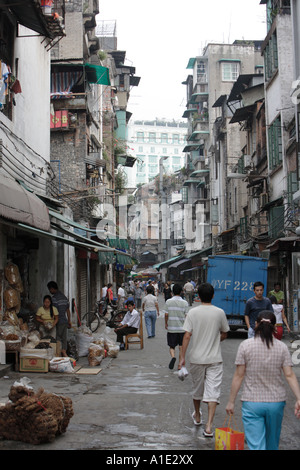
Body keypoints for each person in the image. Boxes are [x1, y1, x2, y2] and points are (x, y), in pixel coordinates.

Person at [226, 310, 300, 450]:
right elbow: (289, 375)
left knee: (256, 445)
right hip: (276, 403)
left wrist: (231, 402)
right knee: (272, 444)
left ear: (255, 324)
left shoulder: (245, 346)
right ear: (274, 326)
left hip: (252, 403)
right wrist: (298, 398)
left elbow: (239, 375)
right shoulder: (282, 347)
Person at [179, 283, 229, 436]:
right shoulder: (220, 312)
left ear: (198, 296)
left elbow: (187, 335)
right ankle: (209, 426)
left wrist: (182, 357)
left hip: (196, 359)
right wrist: (214, 340)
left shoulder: (192, 313)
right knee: (213, 391)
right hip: (215, 359)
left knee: (197, 389)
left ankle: (198, 415)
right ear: (213, 295)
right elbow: (225, 333)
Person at [165, 283, 189, 370]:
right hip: (182, 328)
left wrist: (166, 323)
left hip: (171, 328)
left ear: (172, 292)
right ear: (181, 292)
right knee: (181, 346)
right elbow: (187, 316)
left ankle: (173, 356)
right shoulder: (185, 303)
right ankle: (179, 364)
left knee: (172, 346)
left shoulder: (168, 301)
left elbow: (166, 314)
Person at [47, 281, 72, 357]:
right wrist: (69, 321)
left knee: (57, 338)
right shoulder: (64, 297)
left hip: (58, 321)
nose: (50, 291)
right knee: (64, 338)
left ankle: (60, 353)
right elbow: (68, 310)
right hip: (64, 320)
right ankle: (64, 352)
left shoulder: (54, 299)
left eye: (50, 289)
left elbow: (54, 312)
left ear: (52, 288)